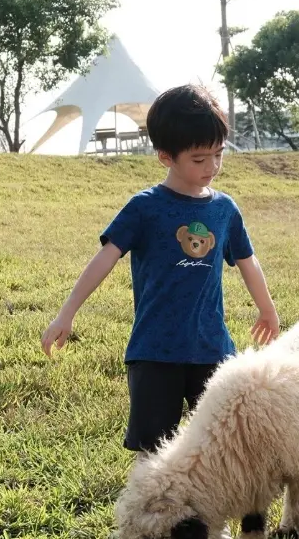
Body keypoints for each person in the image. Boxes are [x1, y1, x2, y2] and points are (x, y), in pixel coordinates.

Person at [41, 83, 280, 456]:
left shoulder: (224, 209)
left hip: (212, 350)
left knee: (224, 447)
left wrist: (266, 308)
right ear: (165, 156)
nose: (212, 167)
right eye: (199, 159)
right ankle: (152, 497)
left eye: (218, 154)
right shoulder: (145, 208)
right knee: (152, 452)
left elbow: (247, 260)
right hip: (154, 353)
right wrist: (66, 313)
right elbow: (104, 258)